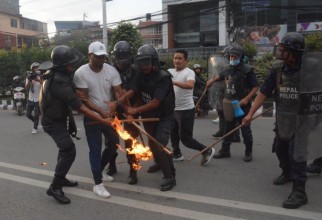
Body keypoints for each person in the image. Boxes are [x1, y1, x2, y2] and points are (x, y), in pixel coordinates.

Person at [40, 45, 114, 204]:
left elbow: (82, 99)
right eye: (70, 64)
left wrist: (100, 112)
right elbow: (79, 106)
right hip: (52, 122)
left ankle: (62, 177)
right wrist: (103, 119)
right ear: (61, 65)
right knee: (68, 150)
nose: (72, 66)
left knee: (64, 148)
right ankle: (55, 186)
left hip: (58, 118)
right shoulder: (60, 82)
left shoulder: (60, 75)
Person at [242, 32, 308, 209]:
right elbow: (263, 93)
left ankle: (300, 191)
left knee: (297, 154)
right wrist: (250, 114)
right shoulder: (277, 69)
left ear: (296, 52)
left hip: (303, 121)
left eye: (284, 49)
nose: (281, 52)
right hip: (283, 119)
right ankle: (287, 173)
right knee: (280, 149)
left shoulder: (311, 69)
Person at [73, 41, 124, 198]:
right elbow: (84, 98)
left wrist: (116, 103)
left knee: (115, 141)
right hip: (92, 116)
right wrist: (101, 112)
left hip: (108, 115)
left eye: (103, 56)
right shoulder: (81, 73)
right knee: (95, 148)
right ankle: (98, 184)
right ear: (90, 55)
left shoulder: (111, 70)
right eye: (98, 56)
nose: (102, 59)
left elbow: (118, 92)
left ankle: (99, 170)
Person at [124, 45, 176, 191]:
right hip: (149, 115)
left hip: (164, 115)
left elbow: (155, 102)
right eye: (141, 62)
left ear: (154, 61)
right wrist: (129, 111)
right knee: (152, 144)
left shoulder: (163, 77)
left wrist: (135, 110)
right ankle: (160, 162)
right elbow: (137, 93)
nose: (144, 66)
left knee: (159, 144)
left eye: (147, 62)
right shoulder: (139, 74)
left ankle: (170, 177)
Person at [206, 44, 259, 162]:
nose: (232, 58)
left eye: (234, 56)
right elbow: (220, 76)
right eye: (230, 56)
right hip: (229, 103)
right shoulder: (227, 68)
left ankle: (248, 152)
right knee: (228, 128)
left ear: (240, 57)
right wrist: (212, 81)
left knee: (245, 129)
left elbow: (255, 87)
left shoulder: (247, 70)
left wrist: (247, 98)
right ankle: (225, 151)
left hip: (241, 104)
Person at [169, 49, 215, 164]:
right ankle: (177, 154)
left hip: (186, 110)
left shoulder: (189, 72)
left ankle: (206, 150)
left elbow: (190, 85)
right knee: (173, 135)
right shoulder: (170, 71)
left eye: (180, 58)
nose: (177, 60)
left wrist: (173, 82)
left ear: (186, 61)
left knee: (186, 139)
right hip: (173, 109)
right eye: (175, 58)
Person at [106, 40, 140, 185]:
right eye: (118, 58)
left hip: (131, 109)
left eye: (124, 58)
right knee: (111, 141)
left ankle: (133, 170)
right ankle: (112, 165)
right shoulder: (108, 70)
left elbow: (135, 92)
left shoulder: (136, 71)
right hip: (113, 110)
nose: (121, 62)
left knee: (130, 141)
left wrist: (132, 111)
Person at [25, 62, 42, 134]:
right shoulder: (29, 76)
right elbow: (26, 88)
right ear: (32, 69)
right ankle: (35, 121)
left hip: (38, 99)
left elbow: (44, 86)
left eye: (37, 67)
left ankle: (35, 127)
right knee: (28, 114)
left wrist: (38, 80)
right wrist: (29, 80)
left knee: (37, 114)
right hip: (31, 98)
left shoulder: (42, 76)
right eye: (35, 68)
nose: (36, 69)